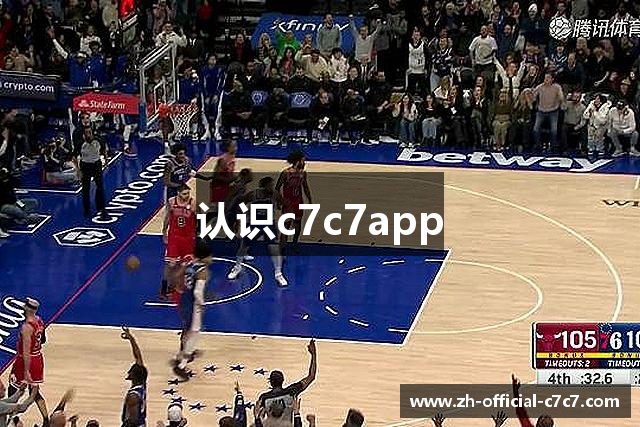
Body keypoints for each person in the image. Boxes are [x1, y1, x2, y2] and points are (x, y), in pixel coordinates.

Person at [227, 177, 288, 287]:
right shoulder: (253, 194)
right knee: (244, 246)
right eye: (269, 185)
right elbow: (241, 203)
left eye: (272, 185)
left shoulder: (275, 194)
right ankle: (237, 267)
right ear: (263, 186)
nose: (271, 187)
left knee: (274, 248)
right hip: (254, 224)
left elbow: (284, 203)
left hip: (268, 224)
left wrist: (284, 211)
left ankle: (278, 274)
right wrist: (244, 213)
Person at [173, 239, 214, 380]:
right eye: (210, 255)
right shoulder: (203, 271)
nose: (212, 258)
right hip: (193, 304)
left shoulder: (190, 264)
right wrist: (202, 304)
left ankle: (181, 355)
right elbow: (197, 292)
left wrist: (180, 289)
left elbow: (178, 278)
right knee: (194, 333)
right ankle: (181, 365)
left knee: (187, 330)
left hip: (184, 300)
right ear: (204, 257)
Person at [8, 298, 48, 427]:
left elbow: (26, 351)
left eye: (25, 305)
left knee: (13, 389)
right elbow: (43, 340)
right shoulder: (39, 321)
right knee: (34, 391)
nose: (23, 306)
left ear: (28, 309)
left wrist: (26, 371)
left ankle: (13, 419)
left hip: (25, 361)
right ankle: (46, 420)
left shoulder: (27, 327)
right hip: (38, 358)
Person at [257, 339, 317, 422]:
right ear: (283, 380)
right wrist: (313, 354)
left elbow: (259, 417)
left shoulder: (264, 398)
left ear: (270, 382)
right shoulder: (291, 392)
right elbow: (311, 376)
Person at [161, 184, 197, 301]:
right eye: (184, 193)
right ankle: (165, 288)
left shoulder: (193, 203)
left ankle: (184, 285)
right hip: (174, 237)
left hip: (188, 238)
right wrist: (164, 231)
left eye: (188, 193)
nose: (187, 195)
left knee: (186, 263)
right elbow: (167, 216)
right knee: (170, 264)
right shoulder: (171, 202)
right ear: (178, 193)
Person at [276, 151, 312, 254]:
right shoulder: (286, 173)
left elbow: (305, 187)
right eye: (303, 161)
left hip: (298, 202)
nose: (304, 163)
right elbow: (277, 188)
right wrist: (279, 201)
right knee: (286, 226)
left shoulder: (303, 173)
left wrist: (309, 199)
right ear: (298, 161)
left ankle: (294, 243)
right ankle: (282, 248)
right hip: (288, 203)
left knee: (298, 225)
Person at [73, 125, 107, 219]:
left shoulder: (98, 140)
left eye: (90, 133)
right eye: (87, 133)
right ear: (83, 135)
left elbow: (104, 149)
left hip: (96, 165)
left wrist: (106, 160)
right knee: (86, 189)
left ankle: (101, 208)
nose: (89, 135)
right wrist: (78, 170)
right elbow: (74, 157)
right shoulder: (80, 144)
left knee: (100, 187)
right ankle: (87, 209)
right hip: (85, 166)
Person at [121, 327, 147, 427]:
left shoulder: (133, 396)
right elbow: (138, 357)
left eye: (131, 371)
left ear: (134, 376)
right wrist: (131, 339)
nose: (128, 372)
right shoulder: (142, 384)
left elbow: (133, 420)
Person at [532, 73, 564, 152]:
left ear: (552, 79)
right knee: (535, 129)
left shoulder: (557, 87)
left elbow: (561, 97)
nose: (546, 79)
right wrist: (531, 94)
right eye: (545, 78)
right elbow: (533, 97)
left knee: (554, 130)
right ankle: (538, 146)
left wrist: (560, 99)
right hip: (541, 111)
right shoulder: (540, 87)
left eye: (548, 78)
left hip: (553, 111)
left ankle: (553, 146)